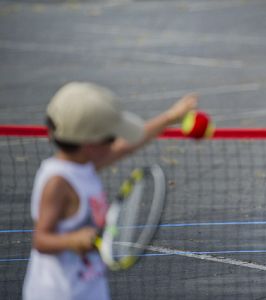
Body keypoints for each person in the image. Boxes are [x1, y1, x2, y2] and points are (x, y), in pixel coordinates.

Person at [22, 82, 197, 299]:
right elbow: (41, 240)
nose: (116, 142)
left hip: (87, 289)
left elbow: (127, 146)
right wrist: (72, 240)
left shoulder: (83, 165)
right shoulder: (58, 182)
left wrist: (171, 117)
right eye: (111, 137)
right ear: (91, 144)